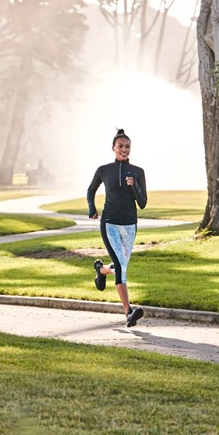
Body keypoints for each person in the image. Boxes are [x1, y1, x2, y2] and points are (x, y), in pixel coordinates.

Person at [87, 128, 148, 327]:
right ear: (113, 148)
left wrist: (134, 186)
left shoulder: (138, 172)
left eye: (127, 146)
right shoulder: (104, 170)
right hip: (110, 223)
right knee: (121, 266)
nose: (124, 149)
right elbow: (91, 190)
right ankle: (128, 312)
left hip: (130, 225)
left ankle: (102, 270)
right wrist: (92, 208)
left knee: (121, 265)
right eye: (120, 146)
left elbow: (143, 203)